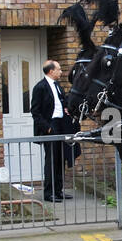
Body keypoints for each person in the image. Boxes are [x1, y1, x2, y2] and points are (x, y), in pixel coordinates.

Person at [29, 60, 73, 201]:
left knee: (61, 159)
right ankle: (49, 193)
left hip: (61, 125)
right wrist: (47, 128)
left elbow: (62, 102)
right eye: (59, 69)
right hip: (51, 125)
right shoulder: (40, 87)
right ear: (50, 71)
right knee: (51, 160)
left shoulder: (58, 86)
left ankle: (59, 190)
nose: (61, 72)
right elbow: (35, 112)